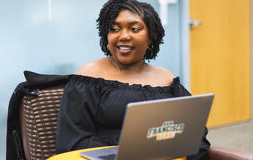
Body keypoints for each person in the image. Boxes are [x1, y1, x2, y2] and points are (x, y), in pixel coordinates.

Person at [55, 0, 210, 159]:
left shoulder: (167, 78)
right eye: (114, 29)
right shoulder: (89, 75)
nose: (123, 36)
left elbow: (194, 131)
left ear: (151, 37)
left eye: (135, 29)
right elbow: (73, 140)